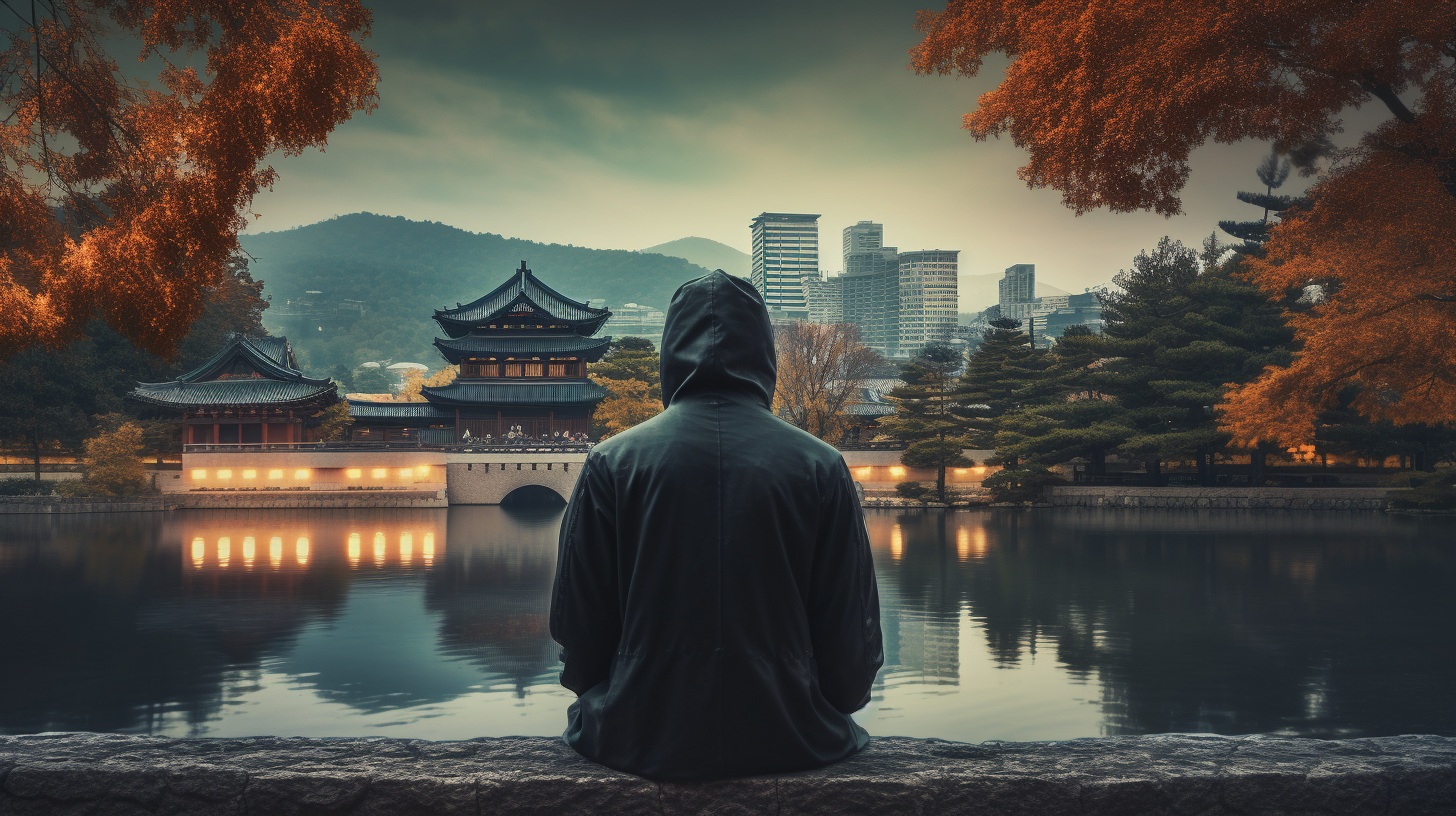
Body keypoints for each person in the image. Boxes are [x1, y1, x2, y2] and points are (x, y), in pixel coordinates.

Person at [550, 271, 882, 781]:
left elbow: (578, 620)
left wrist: (610, 699)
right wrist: (826, 704)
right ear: (764, 352)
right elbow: (850, 628)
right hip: (794, 735)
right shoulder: (820, 465)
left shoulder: (611, 462)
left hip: (633, 734)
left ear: (671, 350)